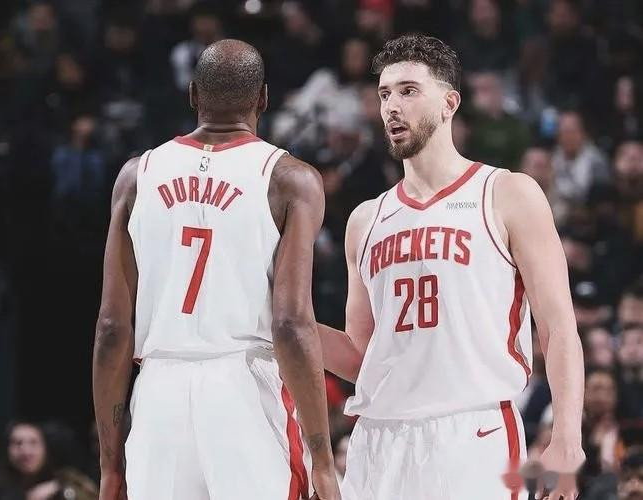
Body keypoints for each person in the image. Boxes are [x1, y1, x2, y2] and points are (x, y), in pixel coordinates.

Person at [317, 34, 585, 499]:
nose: (392, 107)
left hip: (472, 433)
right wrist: (283, 320)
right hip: (378, 441)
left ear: (449, 103)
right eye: (384, 94)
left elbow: (558, 328)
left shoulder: (506, 193)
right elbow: (362, 358)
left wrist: (567, 437)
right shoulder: (365, 220)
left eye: (408, 91)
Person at [92, 39, 340, 500]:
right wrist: (323, 461)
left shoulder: (136, 176)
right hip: (244, 387)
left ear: (192, 94)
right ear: (263, 98)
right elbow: (290, 323)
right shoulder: (289, 179)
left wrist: (110, 463)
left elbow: (111, 328)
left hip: (159, 394)